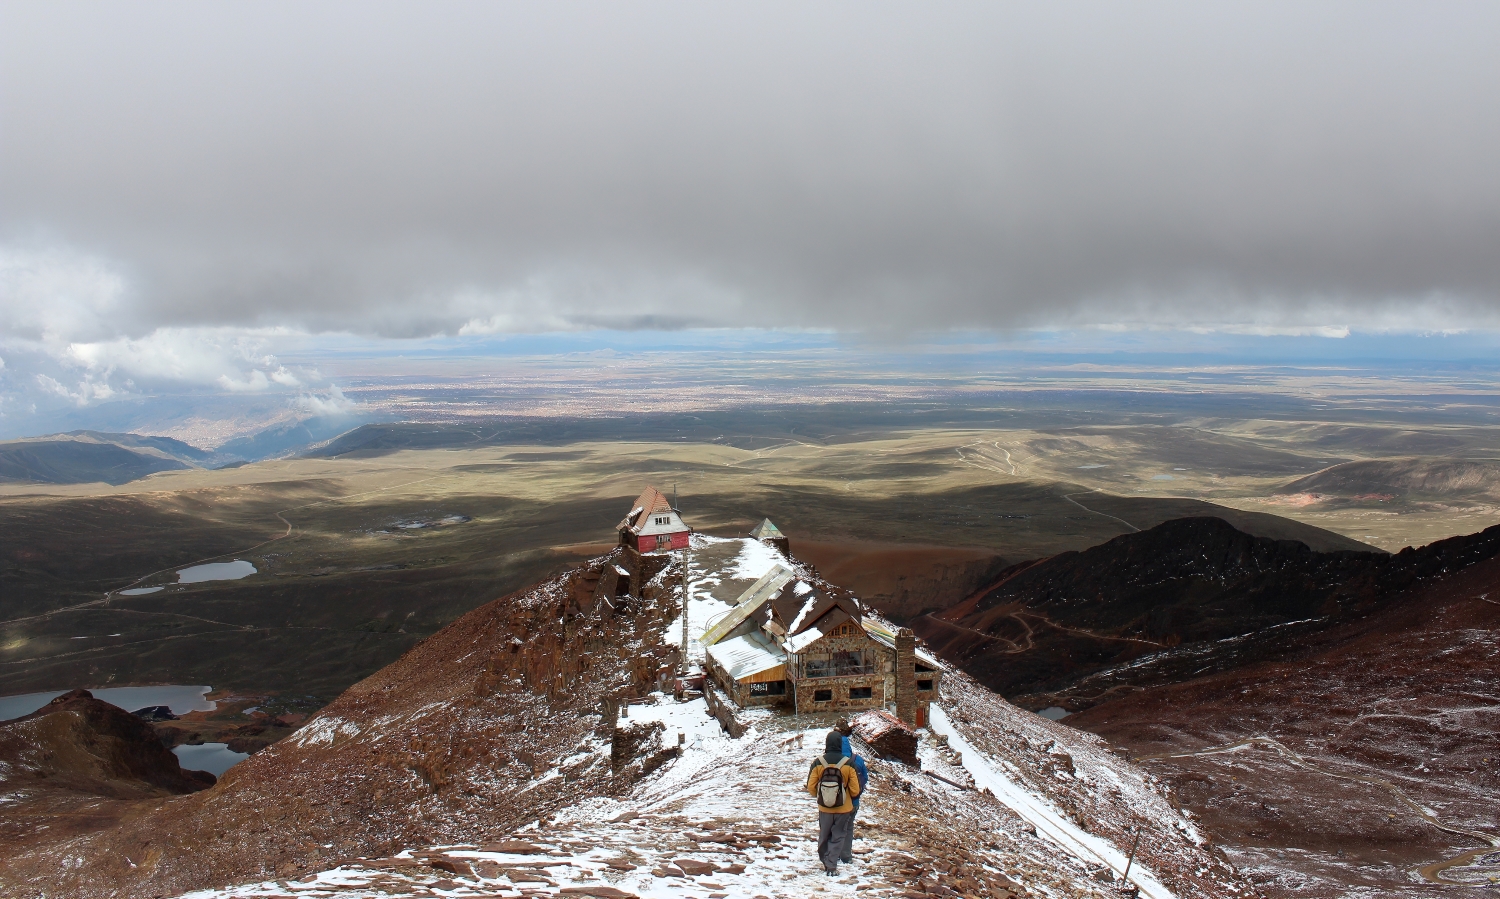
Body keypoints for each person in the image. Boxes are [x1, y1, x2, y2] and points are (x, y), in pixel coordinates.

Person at [805, 730, 861, 875]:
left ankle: (825, 859)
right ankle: (832, 865)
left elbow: (811, 788)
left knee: (824, 834)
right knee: (838, 836)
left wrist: (822, 795)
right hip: (844, 809)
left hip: (824, 808)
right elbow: (855, 791)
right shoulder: (848, 764)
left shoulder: (818, 762)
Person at [836, 722, 869, 864]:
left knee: (835, 827)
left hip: (835, 801)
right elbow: (865, 778)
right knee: (849, 828)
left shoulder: (830, 760)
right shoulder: (857, 760)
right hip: (853, 801)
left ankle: (834, 853)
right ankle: (846, 855)